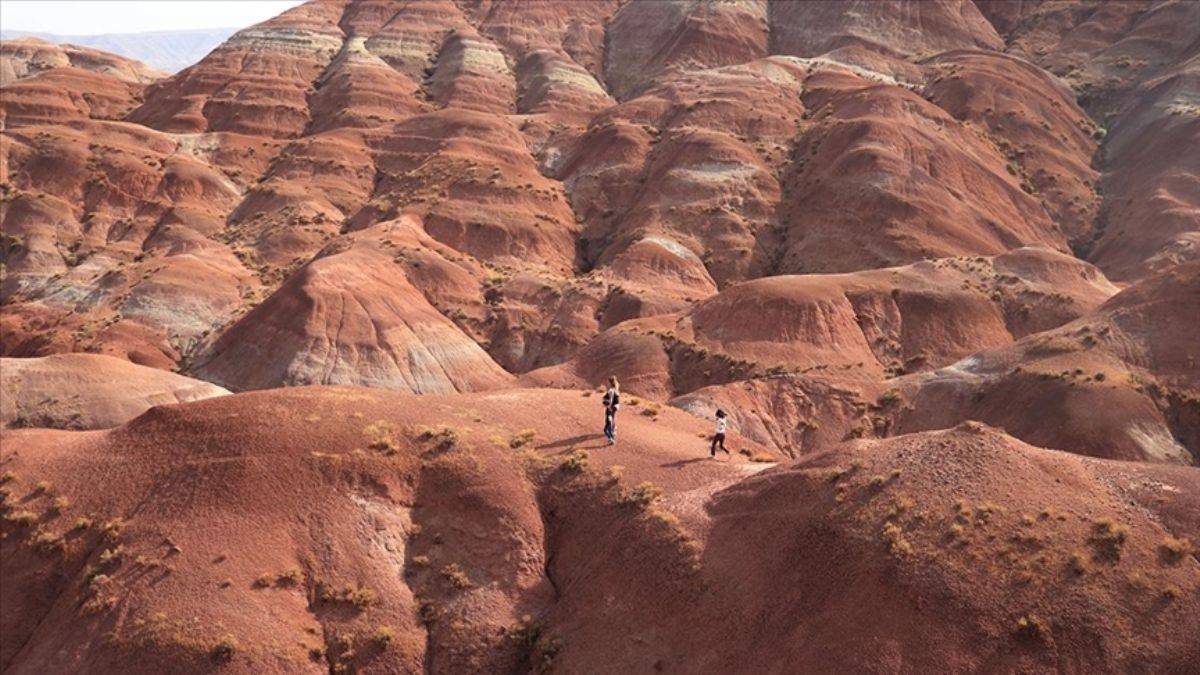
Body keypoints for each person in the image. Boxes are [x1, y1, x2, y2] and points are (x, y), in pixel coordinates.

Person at [602, 376, 620, 445]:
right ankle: (613, 429)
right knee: (612, 418)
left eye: (607, 382)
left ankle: (610, 437)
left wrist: (609, 406)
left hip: (611, 408)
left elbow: (611, 399)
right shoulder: (616, 389)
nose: (606, 384)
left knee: (608, 422)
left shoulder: (611, 390)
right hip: (614, 407)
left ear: (610, 383)